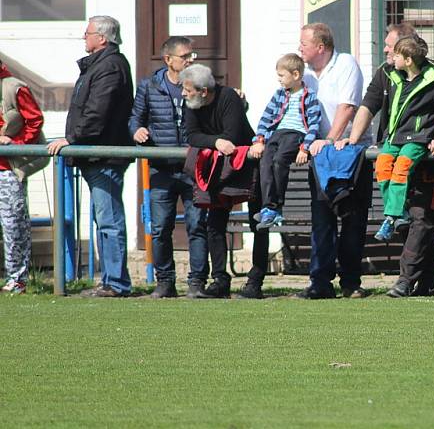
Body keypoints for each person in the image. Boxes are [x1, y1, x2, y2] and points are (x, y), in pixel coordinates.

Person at [336, 22, 434, 298]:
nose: (386, 50)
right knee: (404, 218)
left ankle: (404, 280)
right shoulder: (386, 71)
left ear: (407, 49)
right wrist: (352, 139)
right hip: (395, 147)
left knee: (420, 218)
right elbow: (369, 104)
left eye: (390, 46)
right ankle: (429, 281)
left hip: (426, 158)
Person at [48, 15, 134, 297]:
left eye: (87, 33)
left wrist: (73, 139)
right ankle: (110, 281)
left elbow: (98, 111)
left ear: (102, 38)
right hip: (96, 156)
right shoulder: (101, 65)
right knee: (104, 218)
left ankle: (116, 283)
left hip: (104, 156)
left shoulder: (109, 66)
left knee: (108, 219)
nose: (84, 37)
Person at [128, 36, 209, 299]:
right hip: (161, 168)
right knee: (160, 227)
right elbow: (134, 118)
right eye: (185, 56)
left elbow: (217, 110)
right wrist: (137, 130)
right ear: (168, 60)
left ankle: (197, 282)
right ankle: (165, 282)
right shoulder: (150, 86)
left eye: (191, 55)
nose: (190, 60)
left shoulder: (199, 81)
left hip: (193, 167)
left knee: (197, 226)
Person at [298, 22, 370, 299]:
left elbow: (347, 107)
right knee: (321, 219)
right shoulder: (303, 74)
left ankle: (351, 282)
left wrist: (328, 141)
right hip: (318, 154)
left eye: (304, 43)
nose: (299, 48)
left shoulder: (346, 64)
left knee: (352, 219)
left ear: (321, 47)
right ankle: (320, 282)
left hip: (347, 154)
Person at [181, 63, 266, 299]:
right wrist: (216, 143)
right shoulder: (190, 103)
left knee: (257, 220)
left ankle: (255, 280)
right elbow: (191, 135)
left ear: (204, 91)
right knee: (215, 223)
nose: (183, 94)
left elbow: (233, 135)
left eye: (188, 90)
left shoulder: (229, 97)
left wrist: (214, 141)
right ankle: (220, 279)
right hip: (216, 166)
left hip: (247, 164)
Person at [369, 35, 434, 243]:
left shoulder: (433, 82)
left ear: (408, 60)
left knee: (401, 168)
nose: (392, 57)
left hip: (417, 137)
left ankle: (391, 217)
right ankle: (398, 212)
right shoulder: (393, 76)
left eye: (396, 54)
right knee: (382, 165)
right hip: (394, 136)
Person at [250, 53, 321, 230]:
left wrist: (305, 148)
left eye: (282, 76)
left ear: (295, 75)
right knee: (266, 161)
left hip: (295, 133)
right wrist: (259, 139)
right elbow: (266, 118)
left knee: (280, 160)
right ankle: (268, 207)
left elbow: (314, 123)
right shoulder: (279, 94)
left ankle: (276, 206)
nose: (279, 80)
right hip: (277, 133)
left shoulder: (309, 96)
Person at [0, 60, 45, 295]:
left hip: (8, 168)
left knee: (13, 223)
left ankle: (17, 279)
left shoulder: (14, 87)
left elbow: (35, 120)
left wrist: (16, 144)